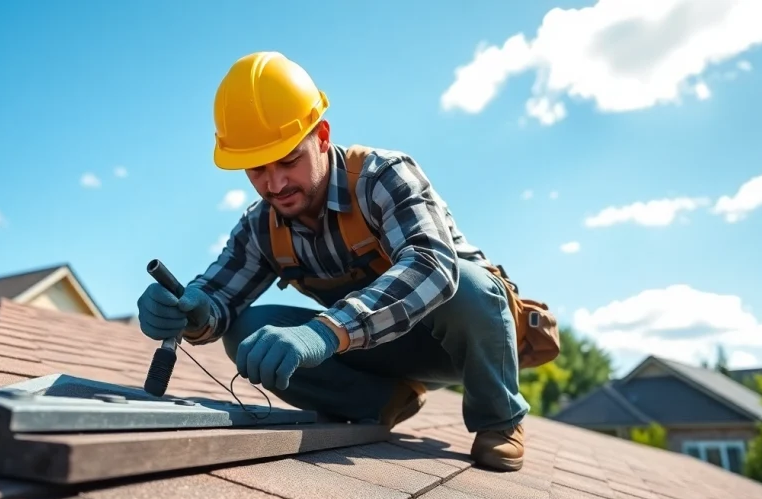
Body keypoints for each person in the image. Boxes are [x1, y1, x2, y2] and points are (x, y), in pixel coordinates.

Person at [137, 51, 532, 471]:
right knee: (246, 330)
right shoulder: (260, 227)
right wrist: (191, 312)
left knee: (467, 286)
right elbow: (218, 295)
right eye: (256, 169)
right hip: (376, 347)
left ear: (322, 136)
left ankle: (500, 419)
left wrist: (324, 332)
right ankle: (383, 402)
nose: (276, 184)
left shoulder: (383, 177)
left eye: (289, 160)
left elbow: (432, 266)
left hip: (461, 344)